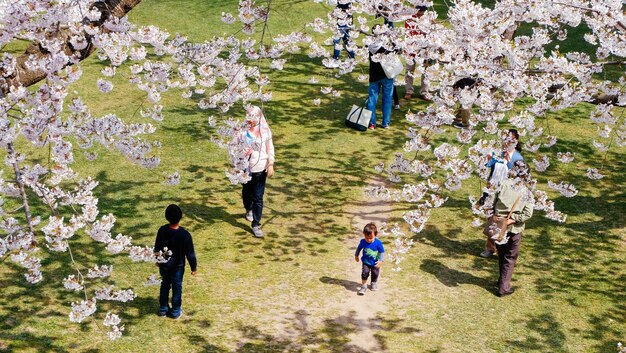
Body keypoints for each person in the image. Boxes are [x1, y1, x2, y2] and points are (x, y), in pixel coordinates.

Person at [489, 161, 534, 297]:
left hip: (498, 227)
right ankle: (503, 287)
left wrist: (499, 217)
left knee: (501, 254)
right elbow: (528, 214)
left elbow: (490, 203)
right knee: (510, 257)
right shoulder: (526, 191)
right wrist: (512, 220)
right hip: (514, 229)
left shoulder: (502, 184)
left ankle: (501, 281)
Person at [480, 129, 524, 258]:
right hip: (492, 190)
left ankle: (503, 248)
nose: (507, 142)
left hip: (506, 194)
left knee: (502, 220)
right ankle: (490, 247)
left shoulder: (517, 158)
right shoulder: (498, 153)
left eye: (510, 140)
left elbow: (517, 176)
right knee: (491, 219)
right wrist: (488, 159)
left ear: (515, 141)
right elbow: (489, 165)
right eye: (505, 139)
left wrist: (509, 161)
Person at [154, 204, 197, 319]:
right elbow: (190, 254)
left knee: (165, 285)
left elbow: (157, 247)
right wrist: (194, 268)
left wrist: (157, 260)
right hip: (177, 267)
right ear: (180, 217)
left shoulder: (162, 231)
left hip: (164, 265)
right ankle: (175, 311)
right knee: (177, 288)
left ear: (166, 217)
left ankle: (163, 308)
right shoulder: (185, 235)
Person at [241, 105, 275, 238]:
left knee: (258, 196)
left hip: (260, 167)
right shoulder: (242, 131)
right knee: (246, 191)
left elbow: (270, 148)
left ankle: (256, 224)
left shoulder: (265, 131)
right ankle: (248, 208)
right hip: (245, 167)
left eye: (253, 116)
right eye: (249, 116)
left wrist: (270, 163)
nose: (250, 119)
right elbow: (234, 147)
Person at [367, 25, 395, 129]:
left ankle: (372, 123)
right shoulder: (388, 44)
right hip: (387, 75)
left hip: (374, 75)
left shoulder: (370, 45)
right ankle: (385, 123)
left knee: (372, 99)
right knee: (387, 99)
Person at [404, 6, 429, 100]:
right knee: (409, 70)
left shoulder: (428, 17)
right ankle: (409, 91)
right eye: (419, 13)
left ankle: (424, 92)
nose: (420, 15)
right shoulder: (409, 17)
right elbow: (408, 33)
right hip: (411, 48)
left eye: (422, 13)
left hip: (425, 49)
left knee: (426, 71)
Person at [354, 222, 385, 295]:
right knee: (365, 273)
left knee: (375, 273)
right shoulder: (363, 242)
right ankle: (364, 286)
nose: (368, 240)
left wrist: (381, 261)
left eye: (370, 238)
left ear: (375, 235)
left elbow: (381, 252)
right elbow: (359, 248)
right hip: (366, 262)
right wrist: (356, 255)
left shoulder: (378, 243)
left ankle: (373, 283)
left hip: (375, 262)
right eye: (366, 238)